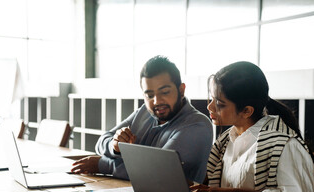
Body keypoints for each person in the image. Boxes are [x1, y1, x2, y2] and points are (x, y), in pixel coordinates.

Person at [190, 61, 314, 192]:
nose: (210, 107)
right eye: (211, 99)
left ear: (247, 111)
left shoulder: (285, 145)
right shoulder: (226, 142)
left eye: (219, 104)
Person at [71, 55, 213, 183]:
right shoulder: (145, 112)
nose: (157, 101)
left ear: (181, 90)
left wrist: (103, 164)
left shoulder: (197, 125)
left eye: (165, 92)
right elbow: (102, 141)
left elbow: (155, 173)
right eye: (150, 95)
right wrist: (115, 147)